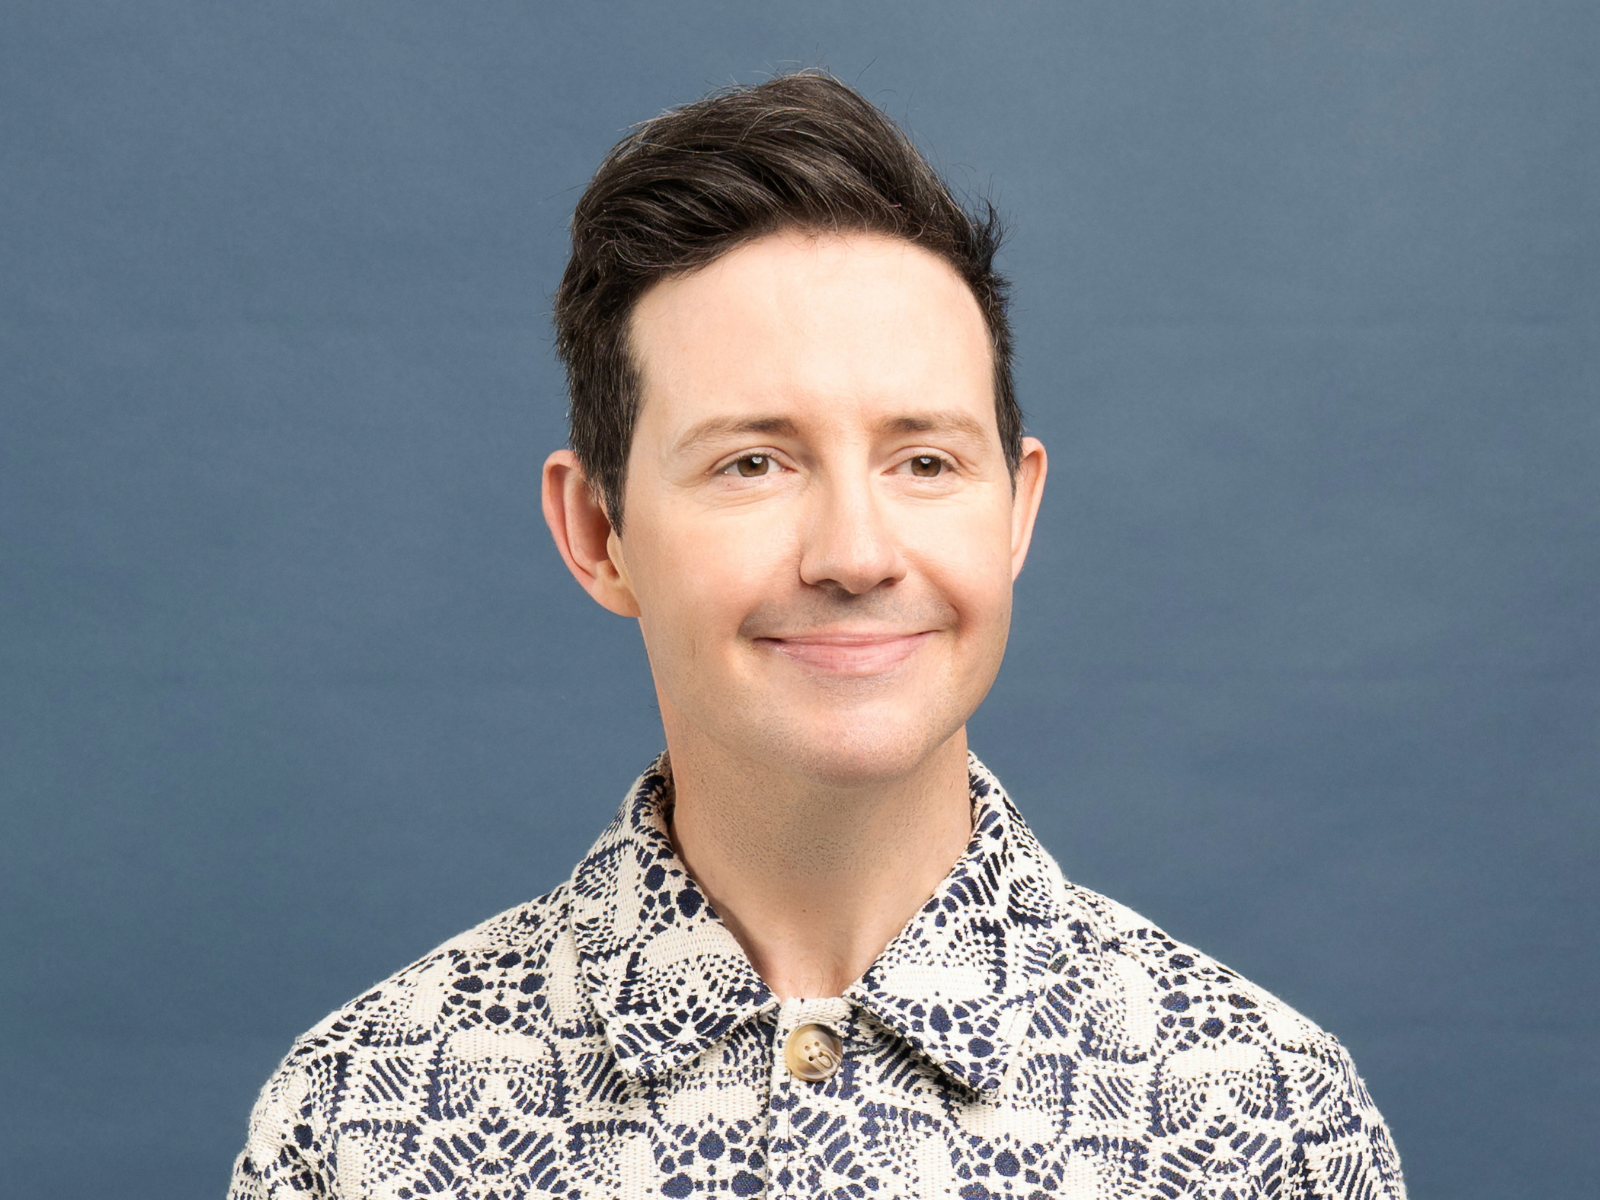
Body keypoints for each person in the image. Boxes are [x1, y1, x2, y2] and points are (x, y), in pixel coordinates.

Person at [230, 73, 1405, 1200]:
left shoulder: (1263, 1118)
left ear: (1016, 510)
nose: (855, 551)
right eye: (753, 462)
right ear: (599, 532)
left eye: (925, 461)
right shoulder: (358, 1126)